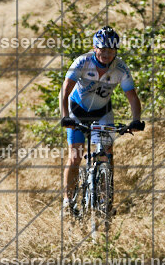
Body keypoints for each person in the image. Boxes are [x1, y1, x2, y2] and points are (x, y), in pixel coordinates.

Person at [59, 26, 145, 216]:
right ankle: (67, 201)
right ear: (95, 47)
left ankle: (106, 200)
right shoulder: (82, 62)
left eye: (111, 50)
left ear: (116, 51)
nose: (106, 54)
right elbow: (65, 90)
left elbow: (132, 96)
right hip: (76, 111)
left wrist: (136, 120)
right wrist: (65, 116)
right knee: (75, 156)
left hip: (102, 113)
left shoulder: (121, 68)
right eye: (102, 49)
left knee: (107, 154)